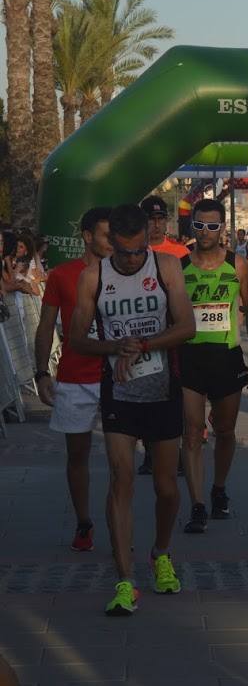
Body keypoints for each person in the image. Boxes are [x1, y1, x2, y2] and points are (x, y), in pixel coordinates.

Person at [67, 203, 197, 616]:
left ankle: (161, 552)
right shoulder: (94, 278)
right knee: (122, 477)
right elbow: (77, 339)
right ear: (110, 244)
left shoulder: (166, 268)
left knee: (166, 488)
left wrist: (141, 345)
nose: (132, 259)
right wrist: (112, 347)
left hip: (161, 388)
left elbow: (186, 327)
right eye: (124, 252)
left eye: (139, 250)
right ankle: (124, 578)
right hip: (119, 390)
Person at [179, 199, 248, 533]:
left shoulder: (236, 265)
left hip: (227, 357)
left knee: (225, 431)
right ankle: (197, 505)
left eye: (213, 226)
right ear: (192, 227)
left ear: (223, 228)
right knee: (193, 433)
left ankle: (219, 488)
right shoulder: (180, 267)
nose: (206, 232)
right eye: (200, 225)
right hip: (190, 358)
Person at [34, 206, 111, 552]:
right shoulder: (63, 275)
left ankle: (117, 522)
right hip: (74, 378)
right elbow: (46, 326)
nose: (113, 242)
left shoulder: (125, 273)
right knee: (77, 455)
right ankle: (83, 521)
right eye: (107, 235)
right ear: (87, 236)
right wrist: (41, 373)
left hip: (116, 378)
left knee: (120, 458)